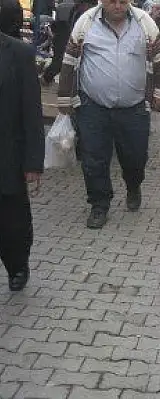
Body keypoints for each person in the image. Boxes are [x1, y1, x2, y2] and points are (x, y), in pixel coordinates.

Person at [57, 0, 160, 229]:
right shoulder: (86, 23)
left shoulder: (144, 23)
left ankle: (133, 184)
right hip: (93, 107)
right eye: (112, 1)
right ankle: (99, 205)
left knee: (135, 158)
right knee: (93, 159)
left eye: (123, 1)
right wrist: (64, 98)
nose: (118, 6)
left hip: (135, 108)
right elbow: (69, 62)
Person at [0, 2, 45, 291]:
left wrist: (32, 163)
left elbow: (31, 111)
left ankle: (17, 264)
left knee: (11, 226)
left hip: (7, 156)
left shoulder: (18, 53)